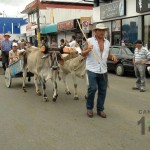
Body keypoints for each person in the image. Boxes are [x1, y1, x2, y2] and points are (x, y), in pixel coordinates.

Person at [82, 23, 118, 118]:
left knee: (103, 90)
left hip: (103, 70)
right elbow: (82, 54)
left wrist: (113, 57)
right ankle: (89, 108)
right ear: (95, 31)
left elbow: (108, 54)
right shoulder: (89, 41)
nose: (102, 32)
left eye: (104, 30)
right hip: (92, 69)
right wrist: (87, 50)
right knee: (92, 88)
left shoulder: (107, 42)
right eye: (100, 30)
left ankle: (100, 109)